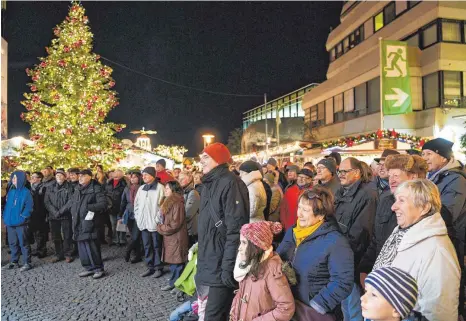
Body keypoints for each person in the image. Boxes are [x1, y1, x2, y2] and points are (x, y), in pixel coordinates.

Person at [373, 179, 460, 321]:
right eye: (396, 200)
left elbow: (439, 312)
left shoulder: (437, 251)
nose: (393, 207)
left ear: (424, 207)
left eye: (402, 200)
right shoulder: (402, 233)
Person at [277, 185, 354, 320]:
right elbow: (280, 257)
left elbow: (343, 281)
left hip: (312, 313)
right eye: (299, 208)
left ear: (321, 215)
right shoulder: (293, 231)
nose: (299, 214)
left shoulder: (336, 241)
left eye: (305, 210)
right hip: (289, 306)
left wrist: (318, 305)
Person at [196, 143, 249, 321]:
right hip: (208, 261)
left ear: (218, 160)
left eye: (206, 157)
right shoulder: (208, 184)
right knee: (207, 313)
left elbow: (236, 231)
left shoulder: (231, 183)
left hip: (220, 265)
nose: (200, 160)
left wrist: (227, 268)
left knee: (214, 315)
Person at [358, 155, 428, 286]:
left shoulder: (427, 207)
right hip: (381, 278)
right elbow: (376, 239)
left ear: (412, 177)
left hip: (408, 283)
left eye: (396, 176)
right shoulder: (385, 201)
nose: (391, 180)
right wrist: (365, 268)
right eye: (390, 176)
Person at [422, 137, 466, 319]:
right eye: (423, 154)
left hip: (452, 242)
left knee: (448, 291)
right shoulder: (433, 177)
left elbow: (446, 214)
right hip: (437, 240)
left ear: (443, 157)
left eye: (429, 154)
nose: (424, 158)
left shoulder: (456, 180)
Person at [334, 157, 378, 321]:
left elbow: (361, 233)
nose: (341, 175)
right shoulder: (342, 191)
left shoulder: (367, 194)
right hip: (342, 258)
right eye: (340, 171)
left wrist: (342, 256)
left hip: (353, 260)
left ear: (357, 172)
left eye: (345, 171)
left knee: (355, 308)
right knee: (346, 305)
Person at [229, 221, 295, 321]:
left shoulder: (272, 269)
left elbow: (286, 308)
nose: (239, 248)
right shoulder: (249, 264)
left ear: (256, 246)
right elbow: (242, 296)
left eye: (244, 243)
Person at [68, 169, 107, 279]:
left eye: (83, 176)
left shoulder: (96, 188)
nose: (80, 178)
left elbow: (103, 204)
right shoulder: (77, 189)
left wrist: (87, 207)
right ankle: (88, 268)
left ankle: (98, 269)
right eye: (79, 176)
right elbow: (73, 203)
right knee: (82, 248)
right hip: (78, 221)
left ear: (90, 177)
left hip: (91, 222)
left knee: (92, 247)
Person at [157, 180, 189, 291]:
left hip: (176, 238)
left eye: (167, 188)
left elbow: (175, 224)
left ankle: (176, 284)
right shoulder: (171, 201)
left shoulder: (176, 203)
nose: (165, 190)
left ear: (173, 190)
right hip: (172, 237)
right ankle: (175, 281)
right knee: (174, 261)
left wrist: (160, 228)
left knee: (177, 262)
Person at [134, 166, 165, 278]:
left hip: (155, 223)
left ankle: (158, 267)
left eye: (146, 174)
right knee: (147, 246)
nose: (144, 177)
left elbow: (163, 207)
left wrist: (158, 220)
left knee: (157, 246)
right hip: (143, 223)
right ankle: (149, 266)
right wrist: (138, 218)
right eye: (143, 175)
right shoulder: (141, 188)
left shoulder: (160, 188)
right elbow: (136, 205)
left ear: (153, 175)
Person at [2, 171, 33, 271]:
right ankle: (14, 262)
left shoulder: (26, 192)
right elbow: (8, 206)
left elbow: (29, 207)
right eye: (12, 178)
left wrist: (22, 218)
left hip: (21, 223)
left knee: (23, 243)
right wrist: (6, 218)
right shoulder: (11, 191)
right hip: (10, 223)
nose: (13, 180)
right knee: (12, 243)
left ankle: (27, 263)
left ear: (20, 179)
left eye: (15, 178)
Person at [44, 168, 75, 263]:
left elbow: (71, 201)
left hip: (65, 215)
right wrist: (54, 212)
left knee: (67, 235)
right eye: (57, 175)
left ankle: (67, 254)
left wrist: (60, 212)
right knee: (55, 236)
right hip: (53, 216)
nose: (59, 177)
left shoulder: (70, 187)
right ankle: (58, 254)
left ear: (65, 177)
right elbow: (47, 201)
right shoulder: (50, 187)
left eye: (61, 175)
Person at [120, 171, 143, 263]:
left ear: (139, 178)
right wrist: (120, 214)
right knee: (134, 236)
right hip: (129, 213)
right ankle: (137, 255)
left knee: (136, 235)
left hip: (139, 214)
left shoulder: (142, 188)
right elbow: (123, 202)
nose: (132, 179)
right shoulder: (127, 188)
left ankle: (128, 250)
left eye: (135, 177)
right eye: (131, 177)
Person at [105, 169, 127, 246]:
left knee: (121, 224)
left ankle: (122, 239)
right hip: (111, 208)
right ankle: (115, 239)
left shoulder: (124, 184)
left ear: (121, 176)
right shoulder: (108, 183)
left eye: (117, 176)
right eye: (114, 175)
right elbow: (106, 194)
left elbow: (125, 197)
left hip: (121, 207)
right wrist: (108, 205)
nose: (115, 177)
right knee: (113, 225)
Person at [29, 171, 49, 258]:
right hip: (33, 214)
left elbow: (45, 202)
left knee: (41, 233)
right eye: (32, 177)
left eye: (34, 177)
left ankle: (42, 250)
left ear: (39, 179)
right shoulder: (31, 187)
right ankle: (38, 249)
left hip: (41, 213)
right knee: (35, 233)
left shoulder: (44, 188)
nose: (32, 179)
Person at [178, 170, 200, 246]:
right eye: (179, 178)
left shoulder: (193, 193)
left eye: (182, 179)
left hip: (190, 231)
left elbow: (188, 213)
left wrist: (176, 220)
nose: (179, 180)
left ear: (189, 179)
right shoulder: (183, 191)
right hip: (185, 228)